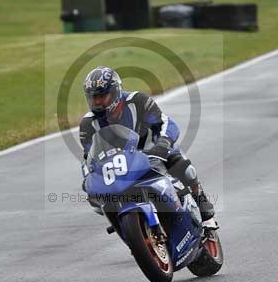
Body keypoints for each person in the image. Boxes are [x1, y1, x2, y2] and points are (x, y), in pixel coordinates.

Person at [79, 66, 218, 230]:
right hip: (120, 169)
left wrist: (163, 144)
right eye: (93, 97)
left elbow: (166, 123)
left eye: (102, 96)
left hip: (152, 153)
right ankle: (128, 230)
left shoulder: (138, 101)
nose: (97, 102)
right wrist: (88, 177)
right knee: (104, 201)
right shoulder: (88, 124)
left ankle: (203, 207)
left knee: (183, 167)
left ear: (116, 91)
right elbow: (89, 157)